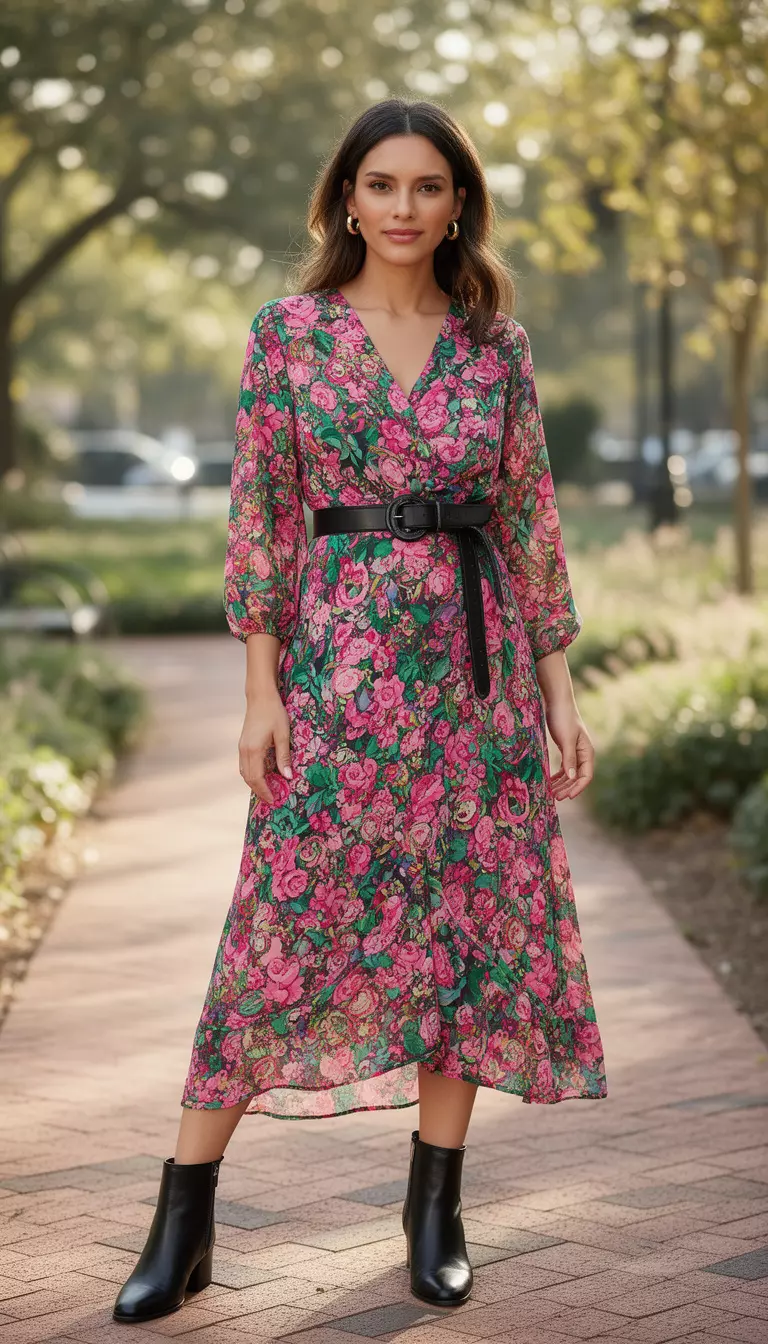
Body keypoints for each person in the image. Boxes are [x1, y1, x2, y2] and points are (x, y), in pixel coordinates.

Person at [113, 96, 607, 1326]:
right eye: (381, 184)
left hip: (476, 681)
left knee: (466, 929)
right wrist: (260, 692)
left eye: (428, 186)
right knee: (277, 925)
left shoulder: (496, 346)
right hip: (338, 674)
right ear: (346, 198)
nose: (403, 207)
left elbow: (528, 518)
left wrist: (559, 694)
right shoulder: (288, 336)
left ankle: (434, 1210)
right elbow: (261, 515)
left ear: (458, 204)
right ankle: (184, 1217)